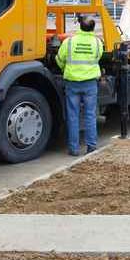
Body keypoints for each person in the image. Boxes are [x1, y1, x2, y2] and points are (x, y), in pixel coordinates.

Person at [56, 15, 104, 156]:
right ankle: (91, 146)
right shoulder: (97, 43)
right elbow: (97, 57)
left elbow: (59, 59)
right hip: (90, 84)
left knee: (73, 115)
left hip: (72, 83)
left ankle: (73, 148)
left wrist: (65, 68)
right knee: (90, 115)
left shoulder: (69, 42)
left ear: (80, 26)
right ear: (93, 28)